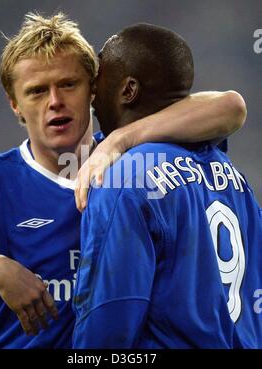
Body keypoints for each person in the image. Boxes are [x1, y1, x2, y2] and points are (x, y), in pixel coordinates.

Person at [0, 12, 246, 349]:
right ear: (15, 105)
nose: (55, 102)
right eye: (37, 91)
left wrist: (119, 140)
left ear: (93, 90)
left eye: (68, 84)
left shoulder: (137, 166)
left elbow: (230, 106)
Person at [72, 23, 262, 348]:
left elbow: (108, 324)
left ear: (128, 90)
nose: (92, 92)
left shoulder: (119, 178)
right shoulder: (229, 172)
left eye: (100, 77)